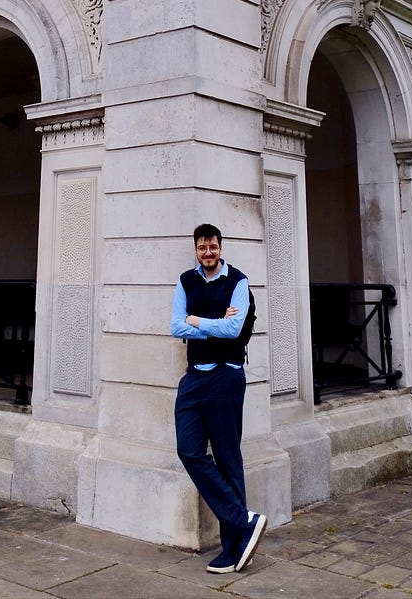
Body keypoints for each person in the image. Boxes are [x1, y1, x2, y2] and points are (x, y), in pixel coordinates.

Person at [170, 222, 267, 574]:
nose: (207, 253)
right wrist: (212, 322)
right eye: (202, 248)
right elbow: (175, 326)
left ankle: (234, 548)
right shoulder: (186, 281)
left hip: (227, 375)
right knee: (189, 450)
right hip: (195, 377)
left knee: (227, 458)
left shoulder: (238, 281)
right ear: (195, 249)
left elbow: (235, 329)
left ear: (220, 247)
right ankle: (245, 521)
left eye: (212, 247)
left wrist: (197, 320)